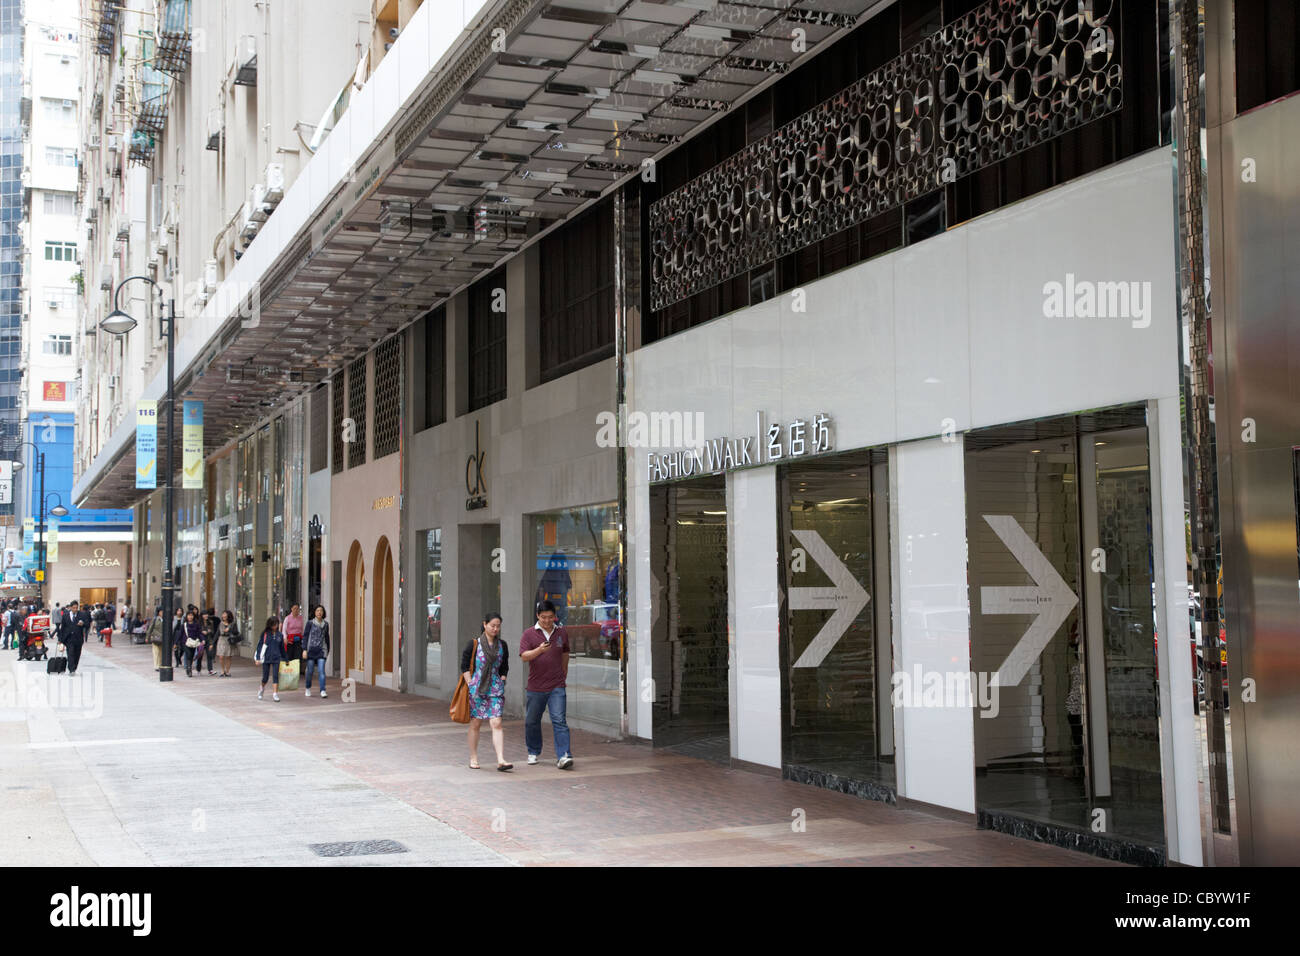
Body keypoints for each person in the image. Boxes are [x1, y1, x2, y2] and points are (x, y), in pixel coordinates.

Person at [518, 600, 573, 769]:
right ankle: (533, 752)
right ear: (537, 616)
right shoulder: (529, 634)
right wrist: (539, 650)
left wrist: (563, 674)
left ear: (555, 616)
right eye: (543, 617)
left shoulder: (561, 632)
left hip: (557, 685)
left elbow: (565, 653)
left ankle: (564, 755)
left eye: (550, 617)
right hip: (536, 686)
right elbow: (524, 656)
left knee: (559, 720)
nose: (547, 621)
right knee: (532, 721)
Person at [461, 611, 511, 771]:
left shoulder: (502, 645)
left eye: (498, 626)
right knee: (476, 722)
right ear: (484, 624)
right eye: (492, 626)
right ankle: (473, 757)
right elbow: (464, 665)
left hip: (495, 687)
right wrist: (470, 683)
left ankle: (501, 759)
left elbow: (504, 666)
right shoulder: (474, 644)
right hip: (478, 688)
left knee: (496, 722)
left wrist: (502, 679)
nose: (495, 629)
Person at [302, 605, 330, 698]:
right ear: (314, 612)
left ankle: (322, 690)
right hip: (311, 650)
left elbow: (327, 638)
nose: (319, 612)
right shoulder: (310, 623)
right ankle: (308, 688)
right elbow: (305, 636)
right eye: (317, 610)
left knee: (321, 671)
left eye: (321, 610)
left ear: (323, 613)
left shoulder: (326, 624)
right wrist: (304, 649)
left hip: (321, 651)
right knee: (310, 671)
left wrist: (327, 650)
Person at [255, 617, 284, 702]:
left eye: (277, 624)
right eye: (273, 624)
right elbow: (259, 646)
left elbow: (282, 648)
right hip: (266, 658)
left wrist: (285, 659)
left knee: (275, 676)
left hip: (276, 658)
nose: (275, 626)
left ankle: (275, 694)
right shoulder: (265, 634)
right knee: (265, 677)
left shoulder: (280, 635)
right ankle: (261, 689)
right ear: (270, 625)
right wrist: (257, 658)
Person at [58, 600, 83, 675]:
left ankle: (74, 667)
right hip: (69, 638)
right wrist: (60, 639)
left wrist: (83, 624)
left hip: (78, 638)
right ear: (70, 608)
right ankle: (71, 669)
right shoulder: (65, 615)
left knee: (77, 654)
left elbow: (87, 623)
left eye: (76, 608)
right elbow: (62, 628)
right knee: (70, 653)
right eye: (74, 608)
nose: (75, 609)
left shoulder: (81, 615)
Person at [179, 610, 205, 677]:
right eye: (189, 615)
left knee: (191, 656)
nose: (190, 617)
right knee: (189, 654)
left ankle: (188, 668)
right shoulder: (184, 625)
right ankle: (189, 669)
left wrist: (203, 639)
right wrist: (176, 643)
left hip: (193, 643)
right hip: (185, 643)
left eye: (191, 615)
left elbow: (199, 633)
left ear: (193, 616)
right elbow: (180, 634)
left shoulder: (196, 625)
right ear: (186, 616)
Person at [215, 610, 239, 677]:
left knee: (228, 656)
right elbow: (217, 633)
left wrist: (229, 630)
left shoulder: (233, 623)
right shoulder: (220, 623)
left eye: (225, 614)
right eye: (223, 614)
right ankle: (222, 671)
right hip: (221, 640)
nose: (223, 616)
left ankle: (227, 671)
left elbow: (236, 632)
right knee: (221, 656)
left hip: (229, 640)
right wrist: (213, 642)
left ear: (228, 616)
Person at [201, 608, 218, 675]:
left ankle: (210, 670)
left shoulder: (210, 622)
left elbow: (213, 631)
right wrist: (202, 632)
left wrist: (209, 631)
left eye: (206, 614)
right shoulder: (199, 622)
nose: (206, 616)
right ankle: (198, 668)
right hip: (201, 640)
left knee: (209, 654)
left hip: (209, 639)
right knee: (200, 655)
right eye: (204, 614)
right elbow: (197, 631)